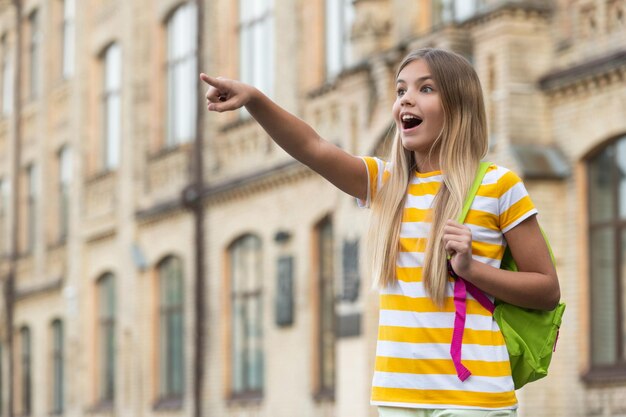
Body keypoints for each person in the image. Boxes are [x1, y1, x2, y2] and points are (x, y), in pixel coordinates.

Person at [200, 47, 560, 417]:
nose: (406, 99)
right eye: (400, 90)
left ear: (458, 105)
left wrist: (472, 270)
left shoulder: (499, 186)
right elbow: (313, 147)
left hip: (476, 397)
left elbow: (547, 291)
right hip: (397, 396)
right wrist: (255, 100)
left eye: (425, 89)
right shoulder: (386, 184)